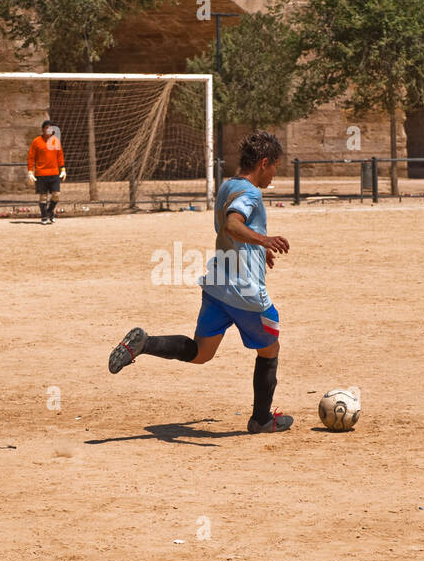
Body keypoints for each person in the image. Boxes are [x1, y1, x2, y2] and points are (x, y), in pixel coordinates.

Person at [107, 130, 293, 434]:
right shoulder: (251, 193)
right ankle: (261, 419)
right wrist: (265, 239)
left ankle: (144, 344)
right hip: (244, 291)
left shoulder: (226, 186)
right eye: (275, 167)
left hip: (218, 283)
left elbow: (228, 230)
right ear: (263, 163)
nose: (274, 173)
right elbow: (234, 224)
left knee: (201, 353)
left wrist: (257, 250)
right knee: (270, 349)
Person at [27, 120, 65, 225]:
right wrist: (30, 171)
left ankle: (49, 212)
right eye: (47, 128)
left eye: (50, 128)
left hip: (54, 173)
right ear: (43, 129)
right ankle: (44, 216)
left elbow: (60, 156)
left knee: (56, 194)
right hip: (41, 173)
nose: (49, 130)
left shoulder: (56, 141)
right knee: (43, 197)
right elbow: (31, 157)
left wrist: (63, 169)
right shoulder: (36, 141)